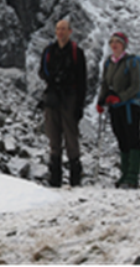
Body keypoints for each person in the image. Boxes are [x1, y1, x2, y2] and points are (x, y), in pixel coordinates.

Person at [39, 20, 87, 188]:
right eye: (58, 29)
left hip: (69, 98)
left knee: (70, 136)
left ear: (70, 31)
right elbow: (42, 71)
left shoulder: (77, 53)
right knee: (53, 136)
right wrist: (53, 79)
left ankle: (74, 177)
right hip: (53, 98)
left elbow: (82, 80)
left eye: (63, 29)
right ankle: (56, 177)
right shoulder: (49, 51)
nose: (60, 32)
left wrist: (79, 105)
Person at [96, 32, 140, 189]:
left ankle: (132, 176)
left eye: (118, 42)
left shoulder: (132, 62)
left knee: (132, 138)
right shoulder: (108, 63)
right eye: (112, 42)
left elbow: (136, 86)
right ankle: (125, 175)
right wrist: (101, 101)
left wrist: (120, 97)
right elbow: (105, 84)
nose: (114, 44)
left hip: (130, 107)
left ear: (124, 45)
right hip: (115, 108)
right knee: (121, 139)